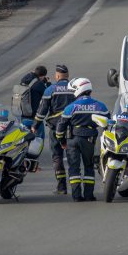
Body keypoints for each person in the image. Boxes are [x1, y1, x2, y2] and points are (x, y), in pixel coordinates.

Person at [55, 77, 109, 202]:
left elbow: (60, 127)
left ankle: (76, 196)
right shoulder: (100, 106)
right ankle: (89, 195)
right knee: (89, 166)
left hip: (72, 139)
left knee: (74, 168)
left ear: (79, 89)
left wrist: (62, 141)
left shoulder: (70, 107)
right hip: (89, 140)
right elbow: (109, 123)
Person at [35, 65, 74, 194]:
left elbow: (42, 111)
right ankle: (76, 188)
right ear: (67, 76)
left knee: (57, 157)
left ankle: (61, 187)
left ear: (57, 76)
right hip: (72, 130)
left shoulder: (51, 89)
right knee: (73, 158)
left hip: (55, 128)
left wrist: (35, 125)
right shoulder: (75, 88)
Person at [16, 66, 50, 138]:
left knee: (23, 139)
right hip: (35, 118)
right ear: (42, 76)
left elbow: (32, 88)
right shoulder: (39, 84)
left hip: (22, 115)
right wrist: (48, 83)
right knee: (39, 139)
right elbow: (47, 93)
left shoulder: (24, 80)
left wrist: (42, 81)